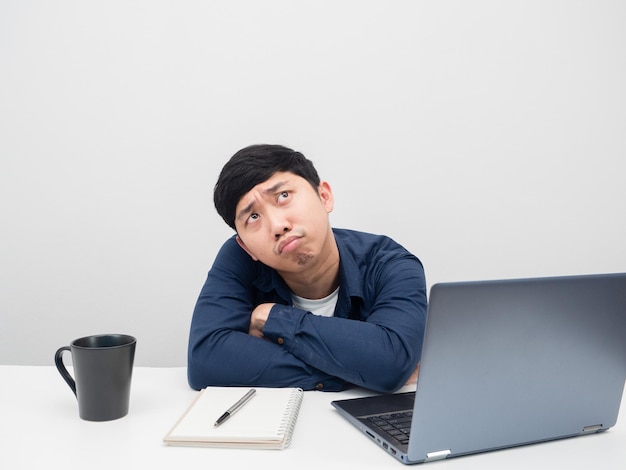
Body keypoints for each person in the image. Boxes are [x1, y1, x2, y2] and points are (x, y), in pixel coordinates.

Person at [187, 144, 427, 393]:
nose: (278, 225)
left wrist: (272, 318)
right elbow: (205, 360)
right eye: (253, 217)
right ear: (246, 247)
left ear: (324, 196)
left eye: (283, 196)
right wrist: (357, 372)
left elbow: (391, 359)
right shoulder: (238, 259)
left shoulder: (390, 263)